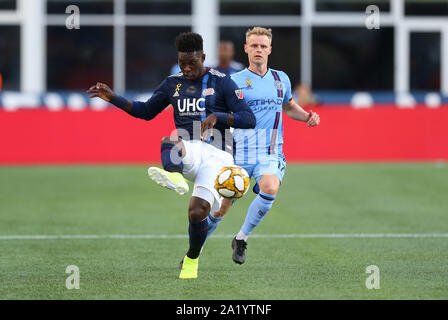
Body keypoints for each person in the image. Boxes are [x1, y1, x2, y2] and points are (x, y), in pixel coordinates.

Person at [87, 32, 256, 279]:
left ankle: (192, 258)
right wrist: (113, 98)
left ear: (203, 58)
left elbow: (248, 119)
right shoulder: (172, 84)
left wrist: (218, 117)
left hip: (220, 156)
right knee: (170, 141)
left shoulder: (223, 82)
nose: (186, 68)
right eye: (182, 63)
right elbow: (145, 111)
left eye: (192, 63)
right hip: (189, 150)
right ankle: (174, 176)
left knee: (197, 212)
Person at [205, 27, 320, 264]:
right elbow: (218, 114)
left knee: (269, 187)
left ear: (269, 49)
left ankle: (241, 238)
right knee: (220, 209)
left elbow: (288, 107)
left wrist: (307, 115)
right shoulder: (232, 82)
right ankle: (194, 250)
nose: (258, 50)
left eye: (263, 46)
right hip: (238, 153)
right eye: (254, 46)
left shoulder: (281, 79)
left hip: (270, 151)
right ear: (246, 49)